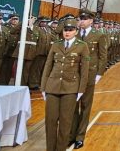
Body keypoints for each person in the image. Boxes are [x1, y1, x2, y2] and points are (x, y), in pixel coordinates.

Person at [41, 19, 89, 151]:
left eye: (71, 30)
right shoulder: (56, 45)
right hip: (52, 86)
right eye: (65, 30)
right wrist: (43, 87)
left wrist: (81, 90)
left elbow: (84, 70)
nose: (67, 33)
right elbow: (48, 66)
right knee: (50, 121)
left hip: (71, 88)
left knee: (65, 122)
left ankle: (61, 149)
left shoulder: (82, 46)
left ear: (76, 31)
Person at [70, 9, 108, 149]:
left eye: (85, 19)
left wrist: (99, 74)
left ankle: (80, 136)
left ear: (91, 20)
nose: (82, 21)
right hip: (74, 74)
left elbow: (103, 56)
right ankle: (71, 135)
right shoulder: (74, 33)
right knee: (73, 105)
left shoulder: (99, 35)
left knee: (85, 106)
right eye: (80, 18)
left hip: (90, 75)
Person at [11, 16, 38, 86]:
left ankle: (23, 86)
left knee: (26, 71)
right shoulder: (22, 27)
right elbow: (12, 31)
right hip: (21, 52)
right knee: (18, 70)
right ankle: (16, 86)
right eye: (30, 18)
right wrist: (23, 22)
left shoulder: (36, 28)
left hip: (31, 53)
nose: (31, 20)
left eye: (33, 19)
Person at [0, 14, 21, 85]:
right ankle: (2, 84)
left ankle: (7, 83)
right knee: (4, 68)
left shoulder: (21, 28)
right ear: (10, 19)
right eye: (13, 19)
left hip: (15, 50)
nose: (15, 20)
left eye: (16, 19)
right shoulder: (6, 27)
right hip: (6, 50)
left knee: (10, 68)